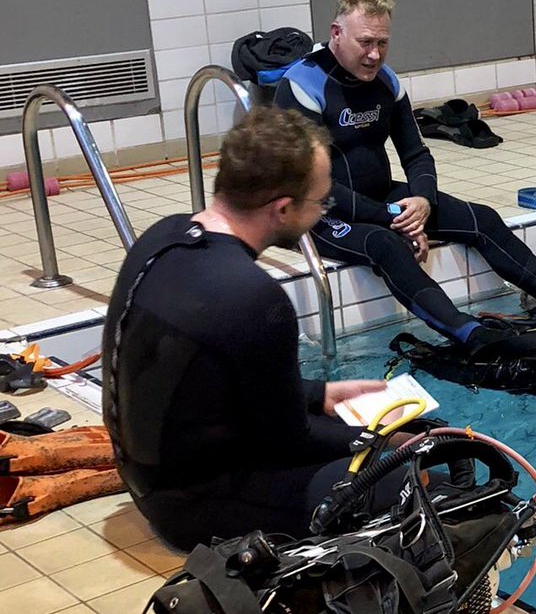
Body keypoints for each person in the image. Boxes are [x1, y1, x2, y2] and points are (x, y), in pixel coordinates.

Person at [102, 106, 406, 550]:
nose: (323, 212)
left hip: (152, 482)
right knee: (414, 477)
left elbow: (208, 387)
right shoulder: (254, 297)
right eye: (321, 202)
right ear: (283, 208)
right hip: (197, 512)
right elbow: (290, 442)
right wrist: (384, 439)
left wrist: (319, 395)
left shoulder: (164, 237)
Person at [273, 0, 536, 348]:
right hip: (320, 212)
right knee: (385, 244)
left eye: (383, 43)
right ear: (336, 33)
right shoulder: (302, 85)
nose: (375, 55)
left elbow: (415, 154)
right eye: (365, 42)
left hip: (380, 201)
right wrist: (393, 217)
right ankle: (471, 334)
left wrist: (422, 201)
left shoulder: (386, 82)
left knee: (483, 218)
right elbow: (315, 183)